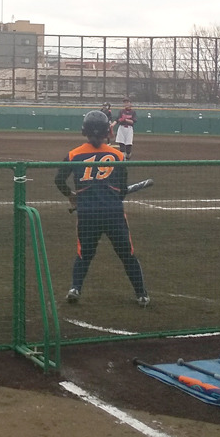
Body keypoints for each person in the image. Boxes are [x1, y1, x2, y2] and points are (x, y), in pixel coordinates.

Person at [55, 110, 149, 308]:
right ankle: (141, 294)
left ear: (84, 131)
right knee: (127, 255)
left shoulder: (74, 154)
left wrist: (71, 196)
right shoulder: (117, 155)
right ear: (108, 132)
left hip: (88, 213)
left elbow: (58, 180)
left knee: (84, 254)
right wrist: (113, 196)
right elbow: (122, 190)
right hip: (113, 212)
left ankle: (75, 288)